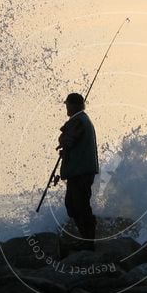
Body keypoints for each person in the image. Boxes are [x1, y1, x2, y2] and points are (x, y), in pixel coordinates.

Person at [57, 93, 99, 250]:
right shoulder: (82, 120)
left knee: (80, 206)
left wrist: (63, 143)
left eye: (67, 104)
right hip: (80, 171)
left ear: (74, 105)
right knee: (74, 205)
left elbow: (68, 139)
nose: (66, 107)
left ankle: (88, 243)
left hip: (80, 172)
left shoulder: (78, 121)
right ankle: (86, 240)